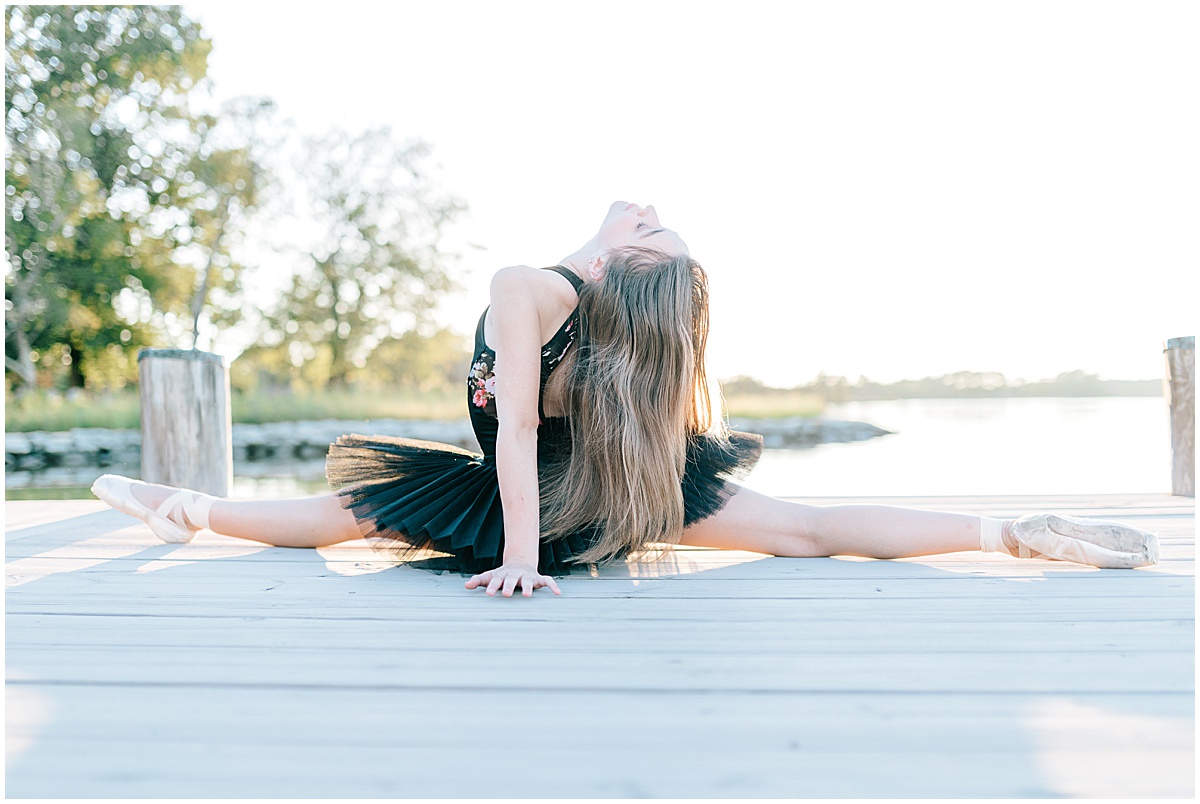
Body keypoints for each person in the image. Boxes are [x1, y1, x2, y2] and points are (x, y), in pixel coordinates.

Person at [92, 201, 1160, 597]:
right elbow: (528, 419)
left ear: (616, 265)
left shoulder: (528, 289)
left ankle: (180, 508)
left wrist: (516, 556)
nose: (646, 210)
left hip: (554, 500)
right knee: (803, 530)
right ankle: (1010, 532)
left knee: (349, 515)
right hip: (599, 493)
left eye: (651, 230)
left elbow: (513, 432)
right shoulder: (596, 320)